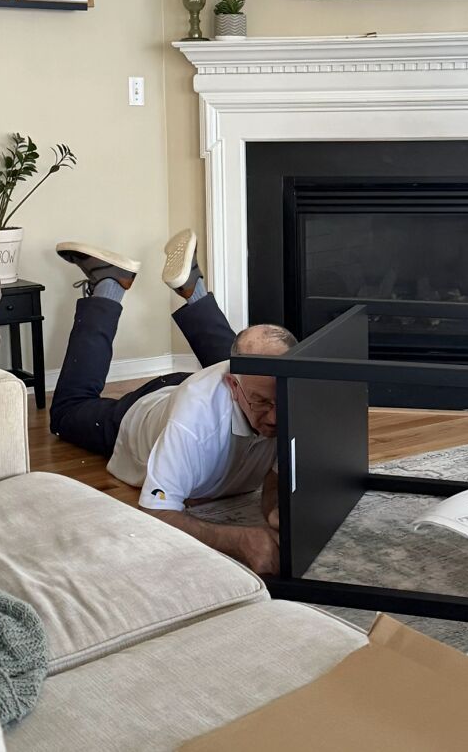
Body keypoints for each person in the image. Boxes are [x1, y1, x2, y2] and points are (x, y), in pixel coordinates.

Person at [49, 229, 297, 575]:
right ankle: (109, 283)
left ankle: (192, 286)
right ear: (233, 388)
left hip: (219, 386)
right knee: (66, 413)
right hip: (145, 410)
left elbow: (276, 473)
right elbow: (155, 512)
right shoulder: (192, 420)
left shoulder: (284, 389)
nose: (275, 418)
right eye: (262, 404)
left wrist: (273, 511)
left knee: (248, 366)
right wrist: (239, 540)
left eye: (281, 402)